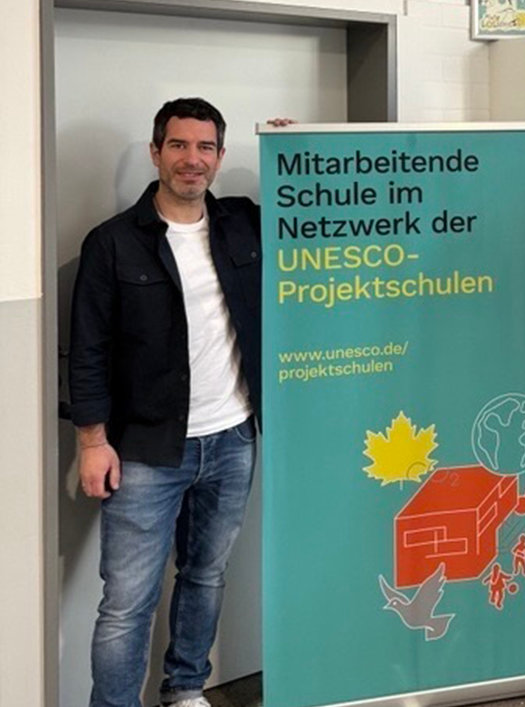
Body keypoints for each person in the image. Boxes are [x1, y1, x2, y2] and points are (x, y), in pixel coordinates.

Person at [70, 97, 262, 707]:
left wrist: (300, 143)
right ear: (157, 152)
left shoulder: (243, 224)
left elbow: (313, 204)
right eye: (178, 145)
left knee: (205, 576)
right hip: (146, 450)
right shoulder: (112, 243)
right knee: (127, 602)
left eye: (205, 147)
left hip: (232, 439)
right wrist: (91, 441)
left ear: (220, 156)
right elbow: (88, 349)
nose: (192, 159)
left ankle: (185, 688)